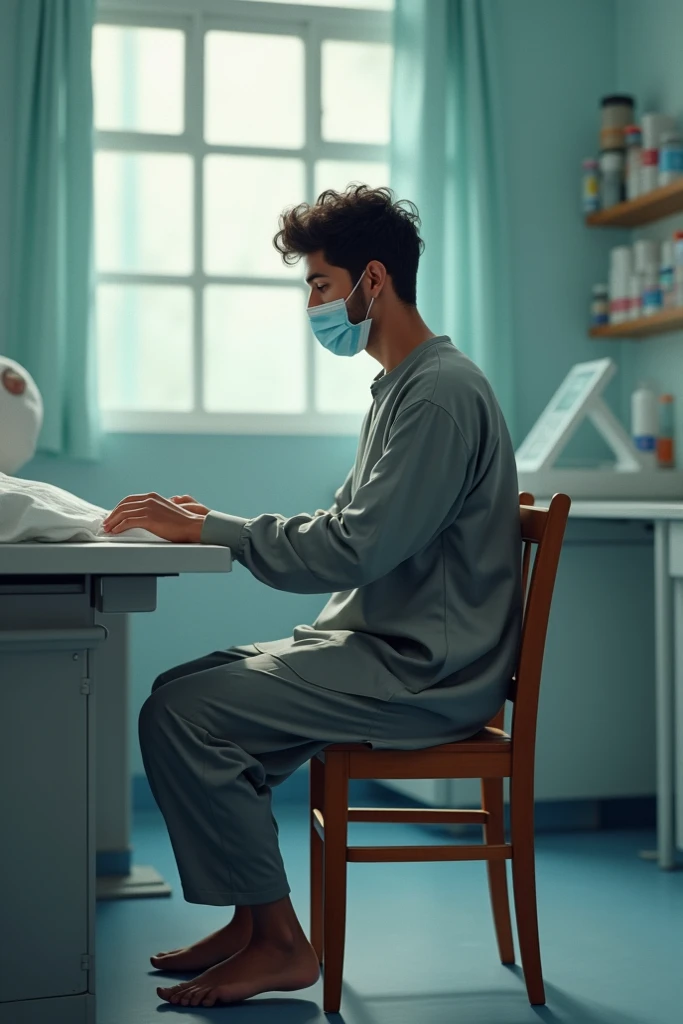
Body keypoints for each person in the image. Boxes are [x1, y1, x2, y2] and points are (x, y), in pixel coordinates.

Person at [103, 185, 522, 1009]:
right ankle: (253, 922)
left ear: (373, 281)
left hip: (423, 670)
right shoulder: (403, 387)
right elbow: (346, 523)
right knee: (176, 691)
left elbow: (352, 548)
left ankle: (283, 944)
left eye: (319, 286)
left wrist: (212, 530)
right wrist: (211, 521)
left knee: (183, 717)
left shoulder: (436, 395)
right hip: (387, 648)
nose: (312, 305)